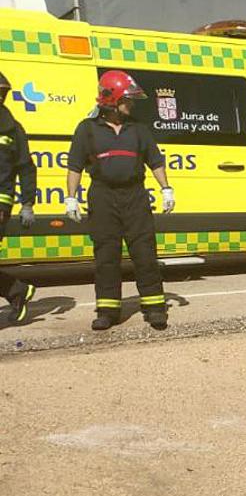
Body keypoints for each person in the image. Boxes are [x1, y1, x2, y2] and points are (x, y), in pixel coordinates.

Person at [65, 70, 174, 331]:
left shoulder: (138, 129)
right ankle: (107, 310)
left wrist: (166, 189)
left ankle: (155, 308)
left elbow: (155, 161)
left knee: (145, 253)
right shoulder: (87, 129)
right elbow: (75, 166)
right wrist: (71, 197)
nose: (132, 103)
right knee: (106, 256)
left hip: (135, 196)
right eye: (128, 98)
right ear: (112, 100)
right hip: (103, 197)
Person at [0, 71, 38, 324]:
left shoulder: (12, 128)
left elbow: (25, 167)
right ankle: (17, 290)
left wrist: (27, 203)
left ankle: (17, 291)